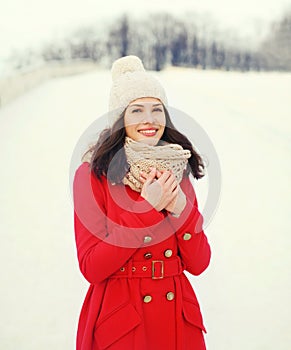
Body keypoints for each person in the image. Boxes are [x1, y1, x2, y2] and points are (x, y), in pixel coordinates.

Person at [73, 55, 211, 350]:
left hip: (178, 322)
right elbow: (92, 267)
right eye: (136, 110)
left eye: (156, 109)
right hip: (124, 323)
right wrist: (146, 210)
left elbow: (199, 263)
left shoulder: (177, 169)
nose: (149, 119)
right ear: (119, 118)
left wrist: (180, 211)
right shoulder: (91, 175)